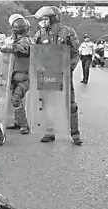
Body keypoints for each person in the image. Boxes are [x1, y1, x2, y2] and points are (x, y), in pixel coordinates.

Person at [33, 6, 82, 145]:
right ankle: (49, 131)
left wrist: (69, 69)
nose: (42, 22)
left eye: (45, 18)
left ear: (54, 18)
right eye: (41, 19)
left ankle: (75, 133)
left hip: (63, 73)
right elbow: (34, 54)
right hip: (47, 74)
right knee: (47, 103)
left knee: (70, 104)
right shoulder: (39, 34)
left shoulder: (67, 32)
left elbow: (75, 54)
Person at [0, 14, 31, 135]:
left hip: (24, 76)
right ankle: (19, 122)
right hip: (13, 76)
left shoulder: (26, 40)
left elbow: (20, 48)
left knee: (16, 99)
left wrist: (6, 48)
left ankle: (24, 125)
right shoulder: (13, 40)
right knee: (15, 100)